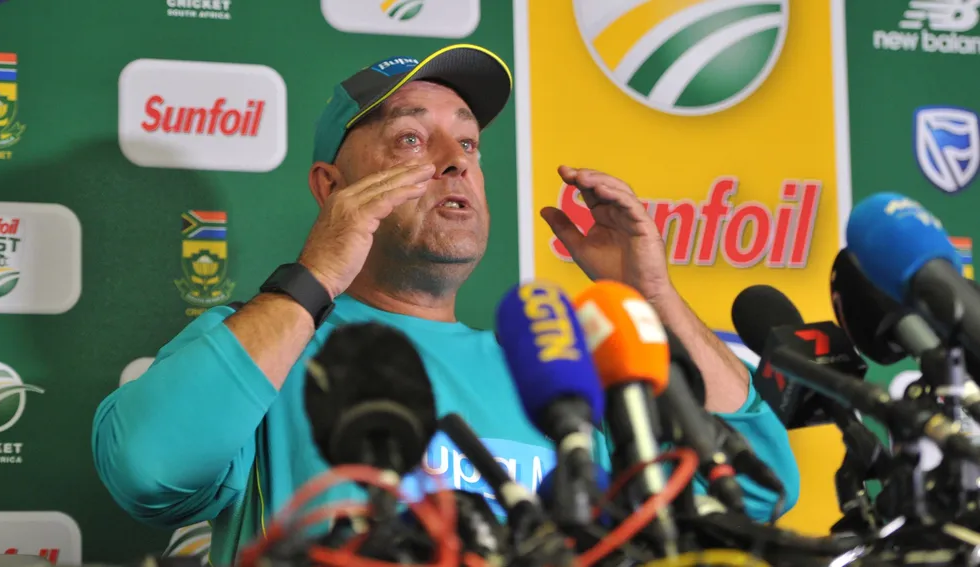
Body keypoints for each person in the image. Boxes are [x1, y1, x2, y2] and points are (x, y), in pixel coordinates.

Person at [92, 44, 799, 565]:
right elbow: (148, 469)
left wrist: (651, 296)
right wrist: (316, 274)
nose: (455, 159)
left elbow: (756, 491)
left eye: (468, 141)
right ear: (330, 186)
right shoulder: (265, 344)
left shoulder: (553, 366)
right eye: (410, 138)